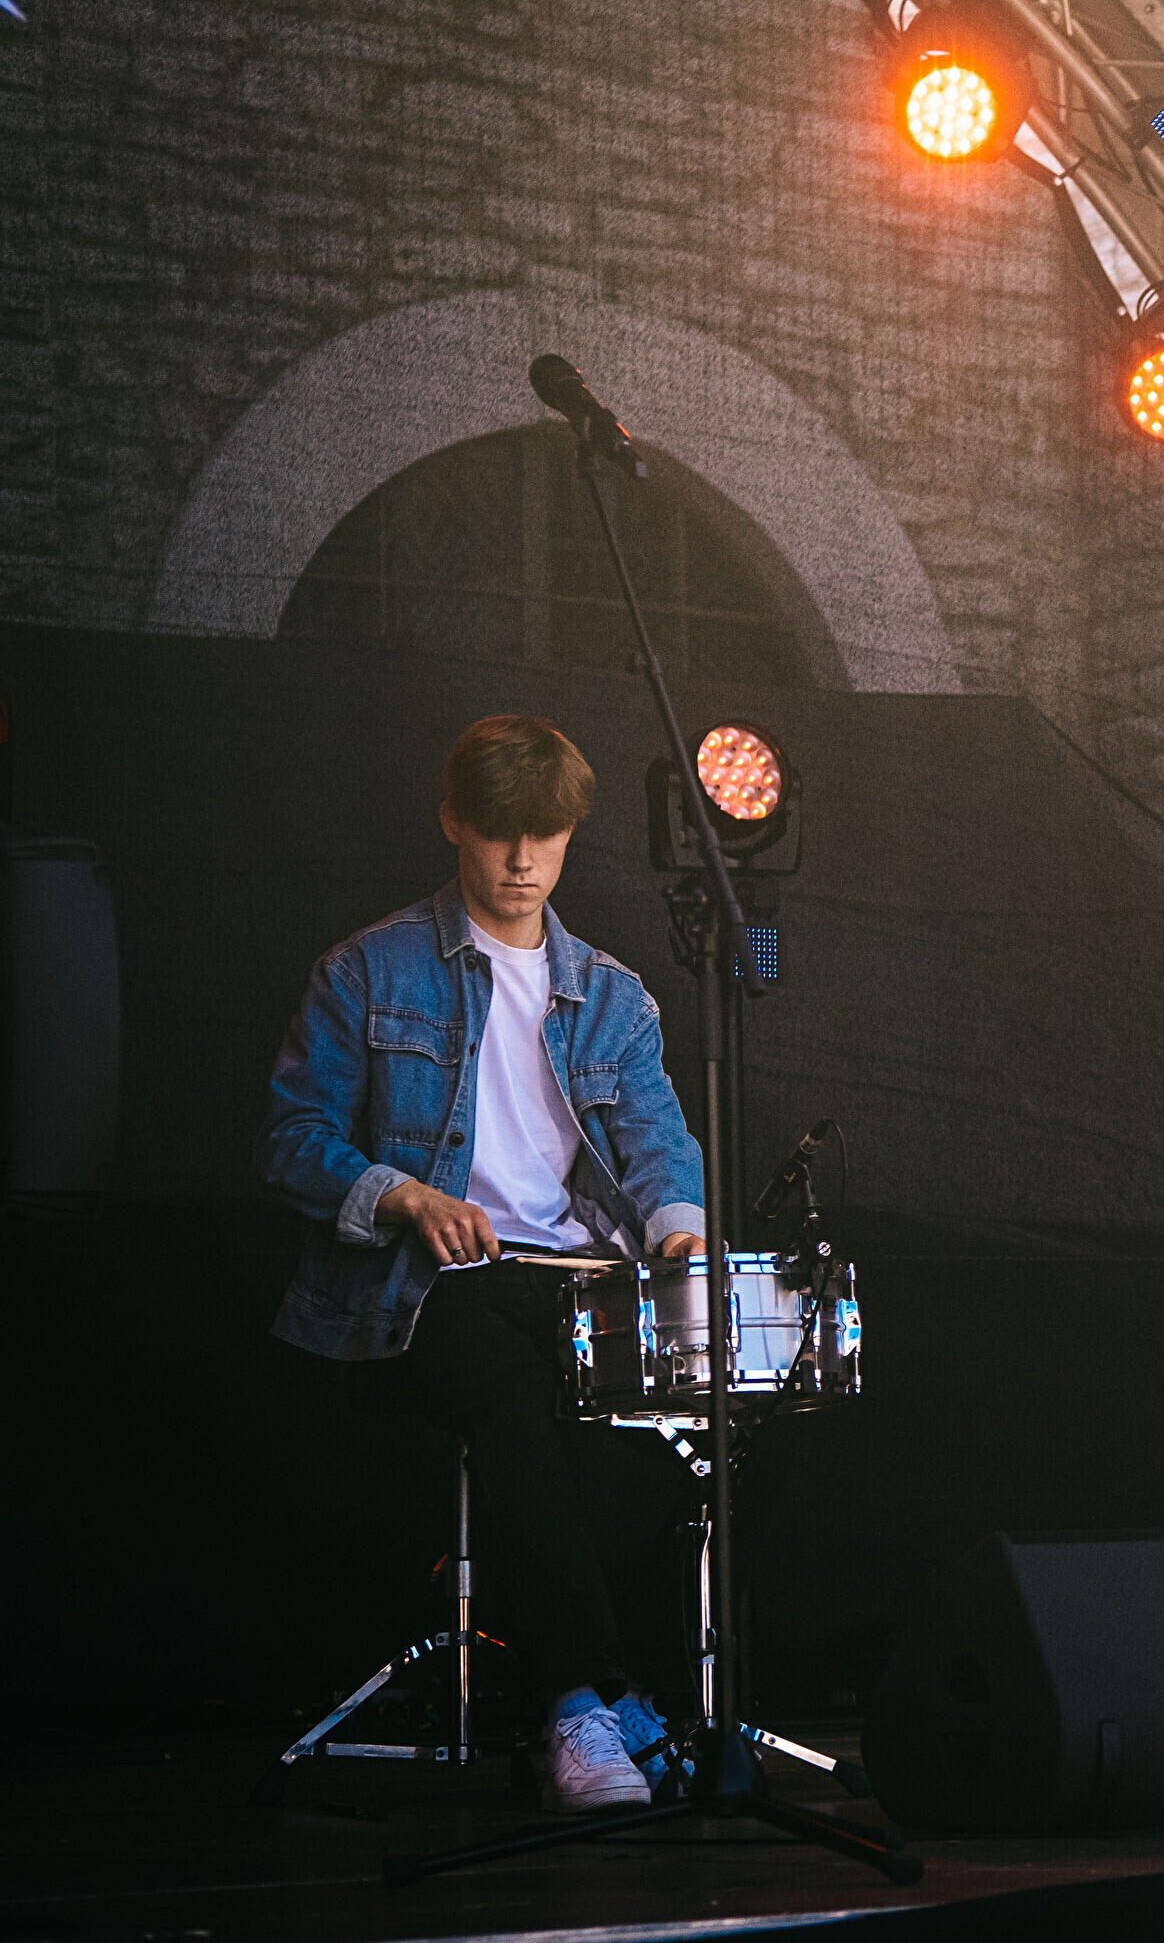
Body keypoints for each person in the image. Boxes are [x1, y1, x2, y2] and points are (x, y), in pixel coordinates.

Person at [260, 714, 707, 1812]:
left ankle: (612, 1689)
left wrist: (681, 1241)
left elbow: (659, 1147)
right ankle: (583, 1703)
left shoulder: (613, 996)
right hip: (419, 1296)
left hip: (573, 1287)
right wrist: (404, 1195)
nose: (520, 859)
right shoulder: (368, 969)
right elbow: (289, 1140)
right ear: (453, 821)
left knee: (721, 1404)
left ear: (568, 838)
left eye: (544, 836)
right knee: (515, 1382)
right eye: (501, 831)